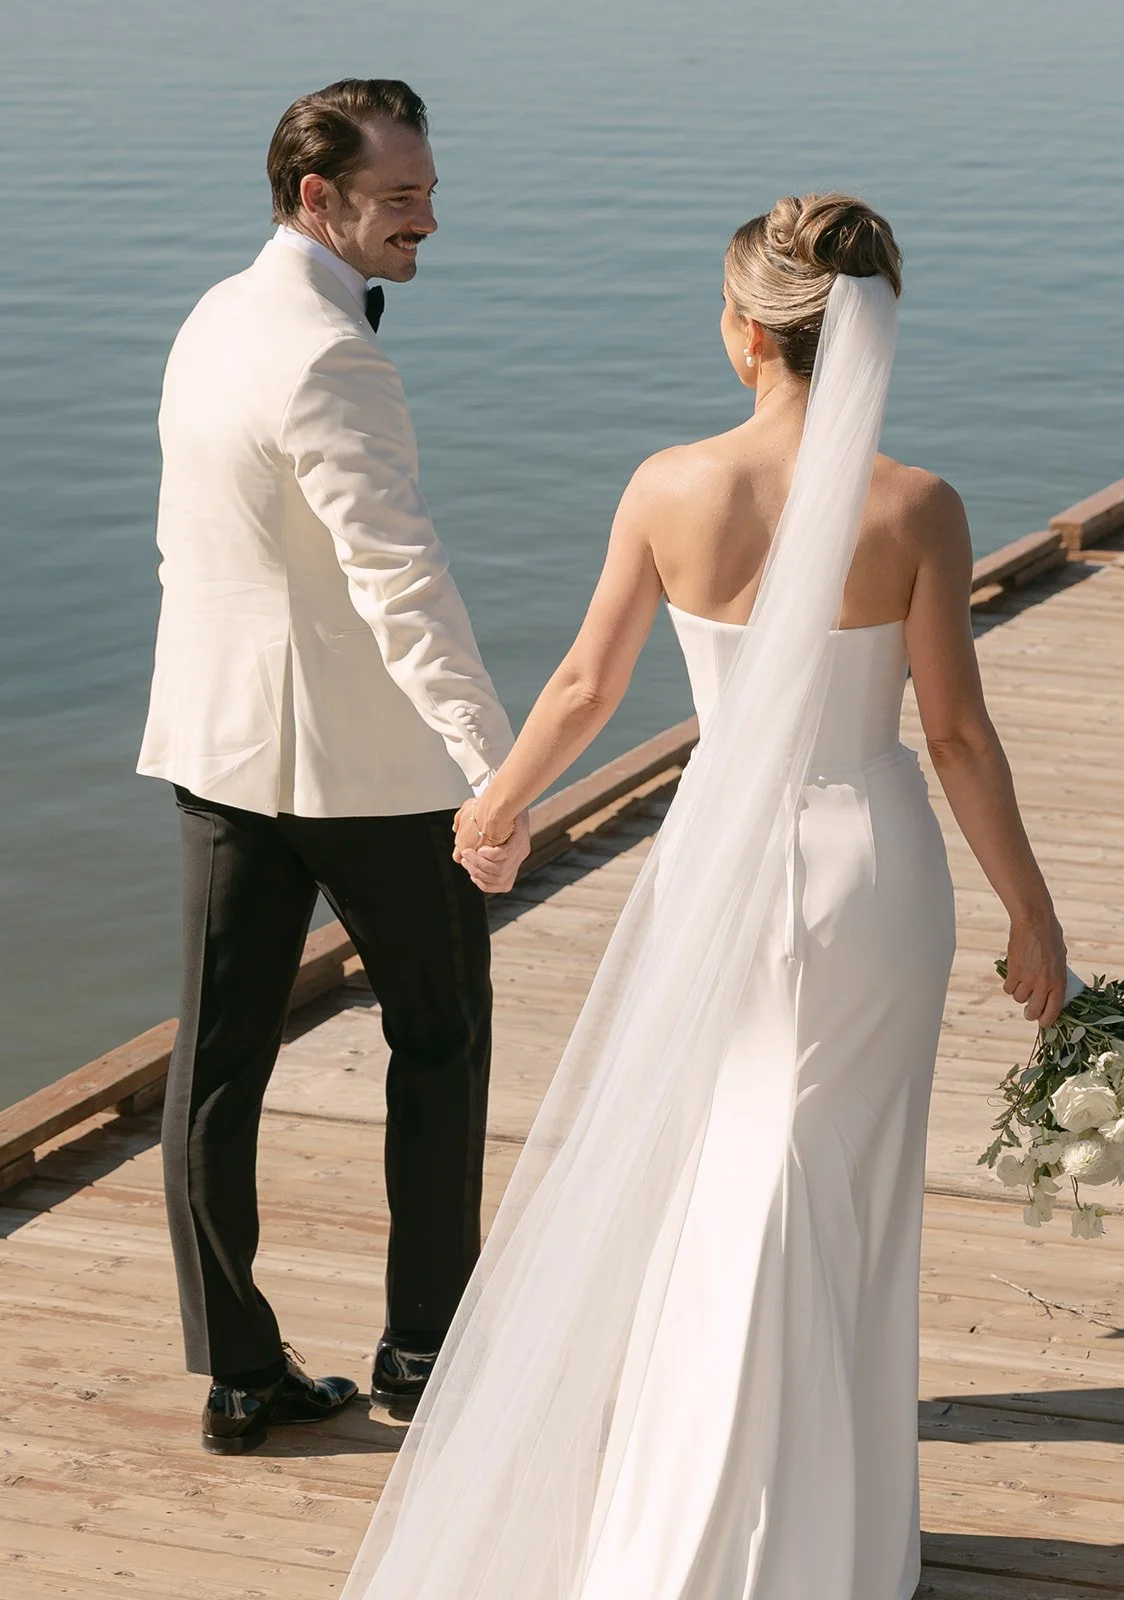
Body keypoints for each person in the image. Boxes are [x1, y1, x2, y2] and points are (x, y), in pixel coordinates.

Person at [342, 194, 1067, 1600]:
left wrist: (498, 809)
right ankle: (803, 1536)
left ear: (746, 334)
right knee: (830, 1180)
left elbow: (586, 687)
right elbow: (958, 737)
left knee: (736, 1165)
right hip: (869, 870)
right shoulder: (915, 508)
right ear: (873, 332)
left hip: (717, 862)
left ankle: (708, 1508)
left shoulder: (669, 486)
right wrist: (1030, 914)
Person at [137, 79, 529, 1456]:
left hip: (216, 746)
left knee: (221, 1062)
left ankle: (240, 1372)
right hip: (364, 774)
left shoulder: (212, 315)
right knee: (438, 1039)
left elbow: (198, 542)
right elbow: (399, 582)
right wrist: (497, 769)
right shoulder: (329, 354)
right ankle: (423, 1353)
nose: (428, 217)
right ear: (320, 197)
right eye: (400, 197)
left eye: (426, 188)